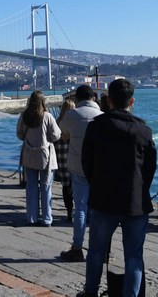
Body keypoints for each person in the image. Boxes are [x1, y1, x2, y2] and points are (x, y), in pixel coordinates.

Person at [78, 79, 156, 297]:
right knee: (134, 256)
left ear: (109, 100)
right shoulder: (144, 131)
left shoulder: (96, 127)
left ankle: (91, 292)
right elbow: (150, 168)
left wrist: (97, 183)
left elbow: (87, 163)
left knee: (96, 252)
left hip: (104, 199)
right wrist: (141, 188)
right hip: (136, 202)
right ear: (132, 101)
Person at [58, 85, 103, 262]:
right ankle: (100, 249)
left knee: (80, 209)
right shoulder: (101, 116)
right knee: (99, 210)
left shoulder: (72, 115)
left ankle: (77, 247)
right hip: (99, 169)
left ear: (77, 98)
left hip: (78, 167)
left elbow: (63, 134)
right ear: (93, 98)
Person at [16, 90, 62, 226]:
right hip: (45, 156)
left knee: (31, 187)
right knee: (46, 187)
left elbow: (19, 134)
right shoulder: (47, 116)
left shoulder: (24, 116)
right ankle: (47, 218)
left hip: (29, 155)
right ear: (43, 102)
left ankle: (32, 217)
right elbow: (56, 135)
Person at [54, 95, 77, 221]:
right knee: (76, 184)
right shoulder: (75, 124)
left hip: (61, 157)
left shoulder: (57, 123)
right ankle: (78, 210)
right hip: (73, 156)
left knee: (66, 185)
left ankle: (69, 211)